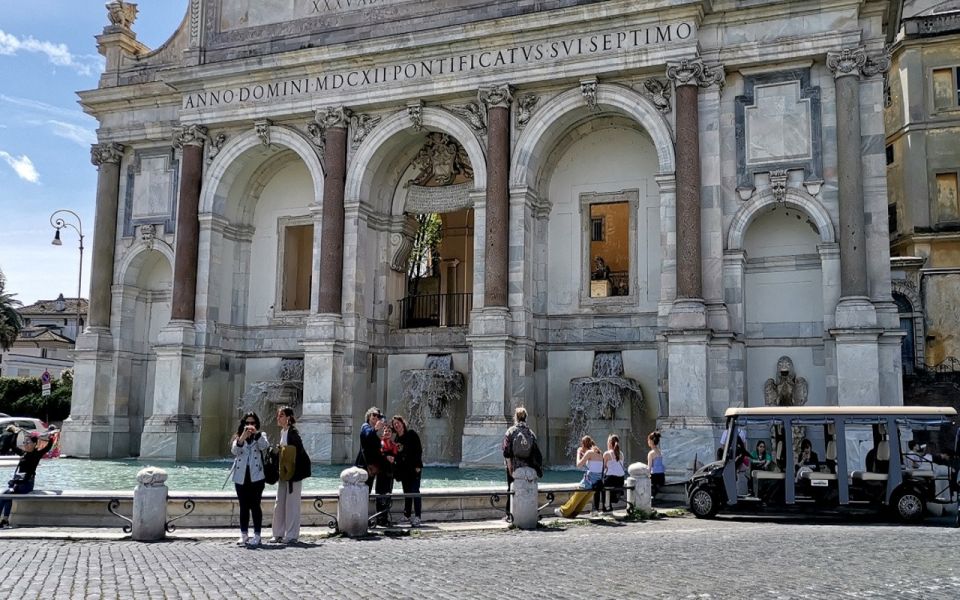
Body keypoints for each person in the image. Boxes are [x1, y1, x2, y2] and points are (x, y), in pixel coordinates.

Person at [271, 406, 311, 544]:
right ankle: (277, 533)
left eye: (281, 415)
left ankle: (292, 534)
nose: (278, 418)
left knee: (292, 504)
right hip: (284, 473)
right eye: (278, 415)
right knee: (280, 502)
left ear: (288, 418)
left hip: (294, 473)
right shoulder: (284, 431)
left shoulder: (293, 432)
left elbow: (298, 450)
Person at [229, 411, 270, 547]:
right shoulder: (238, 437)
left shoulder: (260, 435)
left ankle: (257, 535)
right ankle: (244, 534)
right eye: (247, 423)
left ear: (256, 424)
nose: (249, 425)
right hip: (241, 476)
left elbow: (265, 446)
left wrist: (256, 434)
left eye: (252, 423)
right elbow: (235, 451)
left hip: (256, 476)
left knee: (255, 505)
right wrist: (242, 437)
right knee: (243, 506)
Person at [0, 432, 50, 528]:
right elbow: (12, 445)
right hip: (17, 482)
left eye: (28, 442)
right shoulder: (23, 453)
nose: (25, 444)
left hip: (26, 484)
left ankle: (4, 521)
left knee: (4, 495)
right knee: (6, 496)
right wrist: (15, 433)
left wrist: (50, 436)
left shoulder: (36, 454)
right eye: (24, 442)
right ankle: (5, 520)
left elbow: (48, 447)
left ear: (34, 444)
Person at [502, 407, 542, 517]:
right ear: (526, 418)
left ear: (515, 417)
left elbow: (506, 451)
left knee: (511, 489)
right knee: (529, 488)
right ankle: (530, 513)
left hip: (514, 466)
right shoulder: (531, 433)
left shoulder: (510, 431)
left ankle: (509, 514)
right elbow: (536, 452)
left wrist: (510, 467)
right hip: (528, 466)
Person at [555, 436, 604, 518]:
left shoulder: (589, 453)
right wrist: (584, 455)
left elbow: (578, 465)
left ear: (583, 445)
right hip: (596, 482)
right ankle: (574, 513)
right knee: (583, 501)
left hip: (588, 481)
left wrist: (578, 453)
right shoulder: (599, 452)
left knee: (576, 496)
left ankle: (563, 511)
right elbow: (594, 465)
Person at [392, 415, 423, 527]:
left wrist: (418, 465)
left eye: (398, 422)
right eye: (395, 424)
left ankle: (418, 517)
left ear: (402, 423)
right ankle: (407, 515)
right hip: (404, 471)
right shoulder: (396, 439)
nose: (397, 425)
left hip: (414, 469)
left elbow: (419, 450)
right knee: (407, 493)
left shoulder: (411, 434)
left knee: (415, 491)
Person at [599, 434, 626, 512]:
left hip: (611, 479)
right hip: (621, 480)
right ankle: (609, 505)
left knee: (601, 485)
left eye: (607, 442)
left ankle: (606, 508)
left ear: (610, 443)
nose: (607, 443)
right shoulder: (621, 454)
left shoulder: (607, 453)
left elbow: (603, 469)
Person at [647, 431, 665, 499]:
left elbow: (649, 468)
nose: (648, 442)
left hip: (654, 478)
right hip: (661, 477)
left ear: (651, 441)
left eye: (648, 440)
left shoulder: (651, 453)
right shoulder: (660, 452)